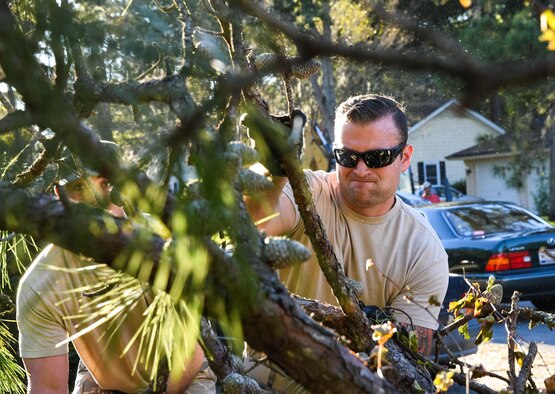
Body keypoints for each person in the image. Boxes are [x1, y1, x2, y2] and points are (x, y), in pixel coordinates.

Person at [247, 94, 449, 356]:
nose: (361, 169)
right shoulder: (307, 190)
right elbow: (258, 221)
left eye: (378, 157)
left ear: (405, 158)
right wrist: (273, 171)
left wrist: (365, 329)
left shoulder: (424, 250)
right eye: (348, 156)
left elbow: (408, 364)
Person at [16, 144, 212, 393]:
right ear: (59, 194)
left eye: (106, 184)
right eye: (79, 187)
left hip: (187, 376)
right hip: (102, 381)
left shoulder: (165, 245)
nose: (97, 200)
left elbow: (189, 356)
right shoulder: (40, 283)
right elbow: (48, 388)